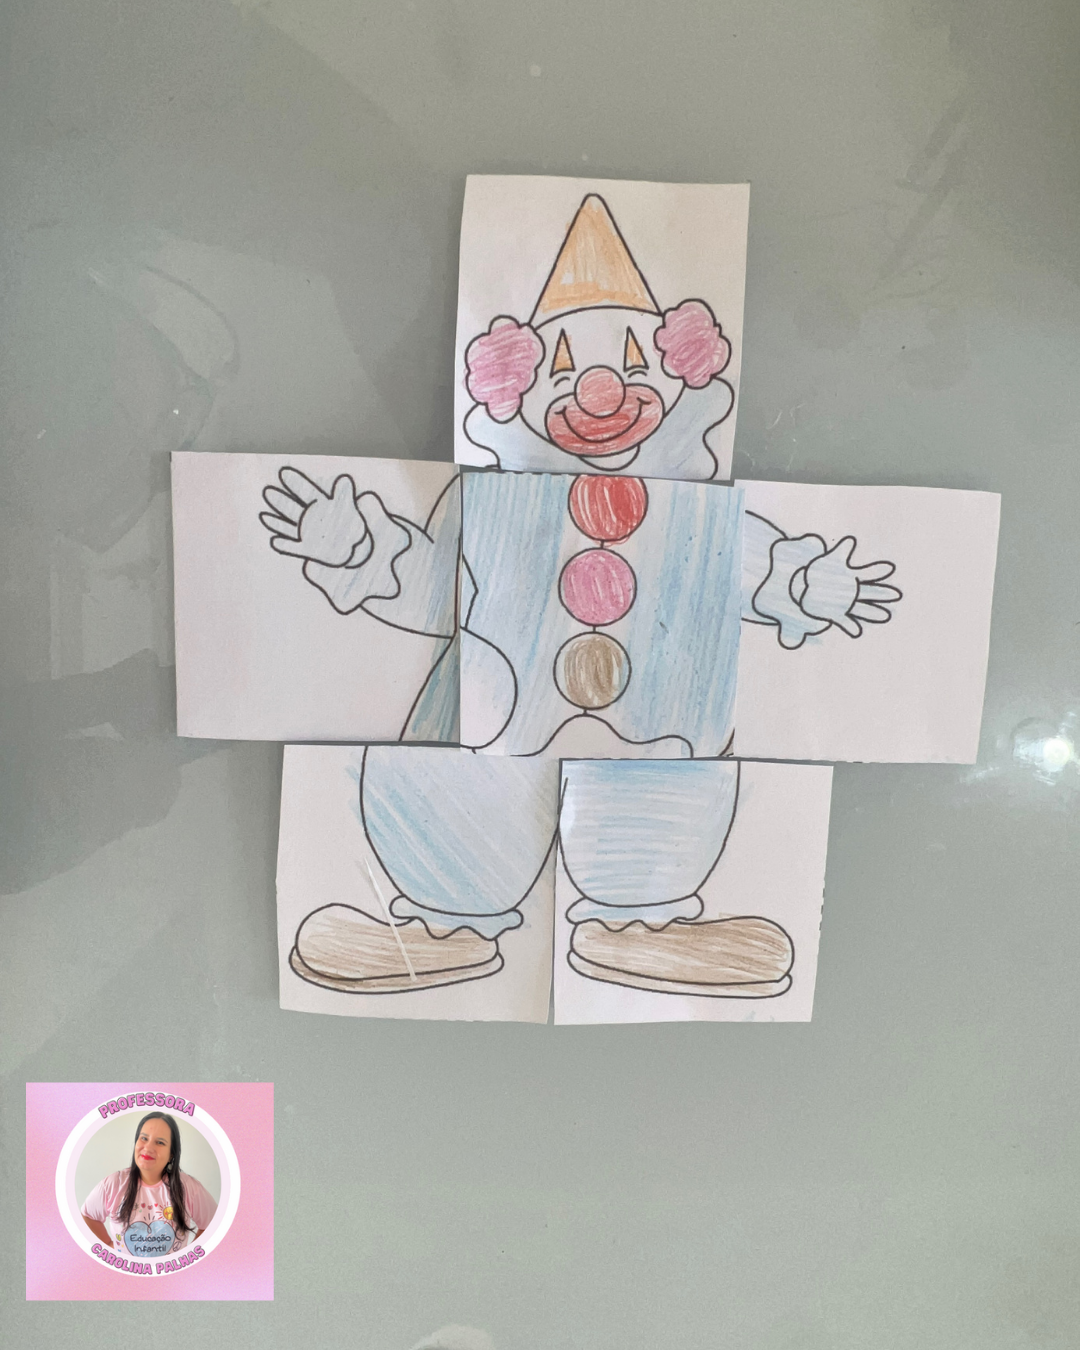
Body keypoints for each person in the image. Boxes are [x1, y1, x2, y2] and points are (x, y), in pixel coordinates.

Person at [81, 1112, 217, 1259]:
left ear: (171, 1154)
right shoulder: (113, 1184)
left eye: (160, 1142)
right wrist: (108, 1244)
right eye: (144, 1138)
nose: (148, 1147)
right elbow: (88, 1216)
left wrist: (189, 1257)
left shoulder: (188, 1187)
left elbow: (215, 1223)